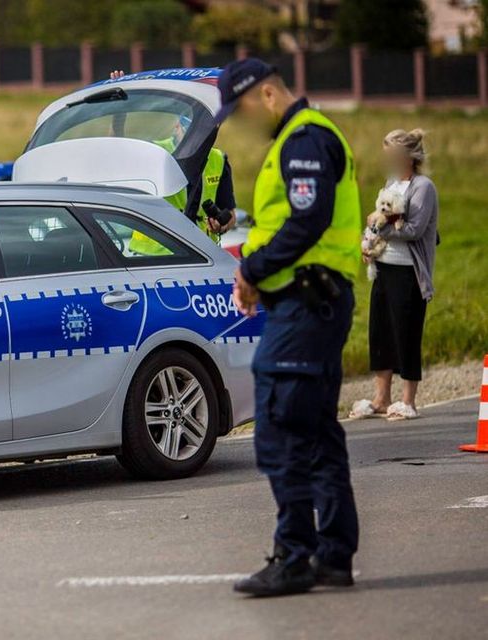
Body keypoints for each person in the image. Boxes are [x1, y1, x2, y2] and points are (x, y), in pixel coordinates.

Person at [216, 59, 363, 597]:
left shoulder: (303, 140)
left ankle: (296, 555)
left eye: (243, 108)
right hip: (311, 304)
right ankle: (333, 556)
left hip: (305, 306)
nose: (242, 121)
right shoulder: (303, 138)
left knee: (280, 430)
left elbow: (307, 219)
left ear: (268, 93)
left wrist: (252, 270)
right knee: (316, 430)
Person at [350, 129, 439, 422]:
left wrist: (379, 227)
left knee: (407, 333)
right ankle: (381, 398)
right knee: (380, 331)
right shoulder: (391, 183)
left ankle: (408, 400)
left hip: (409, 274)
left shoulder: (423, 187)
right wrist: (369, 242)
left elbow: (413, 229)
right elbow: (381, 218)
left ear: (406, 156)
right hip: (384, 269)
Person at [107, 71, 238, 249]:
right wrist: (118, 110)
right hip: (153, 255)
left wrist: (221, 226)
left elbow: (230, 214)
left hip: (203, 253)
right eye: (187, 128)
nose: (194, 137)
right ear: (177, 125)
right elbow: (116, 148)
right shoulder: (157, 152)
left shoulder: (219, 160)